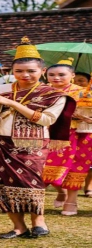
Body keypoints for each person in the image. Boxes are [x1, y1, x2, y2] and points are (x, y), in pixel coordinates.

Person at [0, 37, 75, 239]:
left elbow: (45, 119)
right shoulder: (1, 92)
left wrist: (13, 104)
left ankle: (38, 222)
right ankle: (18, 226)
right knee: (0, 183)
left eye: (31, 71)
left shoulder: (54, 95)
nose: (25, 75)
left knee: (30, 182)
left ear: (42, 72)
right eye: (19, 71)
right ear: (11, 72)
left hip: (31, 143)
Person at [43, 59, 91, 215]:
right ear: (45, 75)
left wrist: (82, 116)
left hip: (79, 134)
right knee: (44, 166)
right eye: (52, 75)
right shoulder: (41, 91)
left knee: (76, 166)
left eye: (61, 74)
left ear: (72, 75)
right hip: (48, 133)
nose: (56, 78)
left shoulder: (83, 93)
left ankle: (72, 201)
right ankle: (59, 192)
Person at [73, 73, 92, 197]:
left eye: (81, 80)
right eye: (75, 80)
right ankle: (67, 188)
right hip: (71, 131)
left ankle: (89, 186)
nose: (78, 83)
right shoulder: (68, 94)